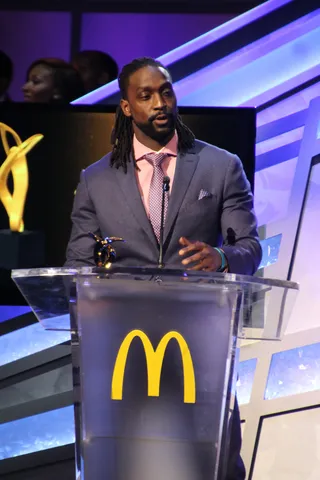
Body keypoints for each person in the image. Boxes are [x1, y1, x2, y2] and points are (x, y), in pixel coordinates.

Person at [65, 56, 262, 479]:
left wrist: (222, 257)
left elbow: (249, 246)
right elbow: (76, 267)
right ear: (125, 107)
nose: (160, 102)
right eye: (146, 95)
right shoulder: (96, 180)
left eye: (166, 91)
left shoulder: (220, 166)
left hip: (199, 343)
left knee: (214, 457)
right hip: (122, 348)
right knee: (129, 459)